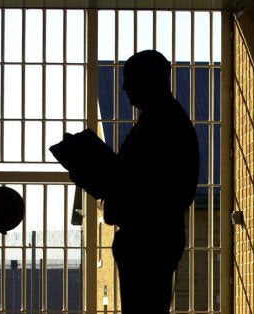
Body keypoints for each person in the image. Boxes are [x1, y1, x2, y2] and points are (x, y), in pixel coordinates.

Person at [52, 49, 199, 312]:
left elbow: (143, 182)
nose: (124, 87)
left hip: (148, 239)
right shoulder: (163, 122)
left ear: (150, 80)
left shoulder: (160, 126)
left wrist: (101, 173)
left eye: (130, 79)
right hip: (151, 236)